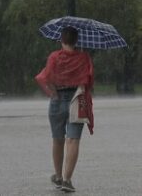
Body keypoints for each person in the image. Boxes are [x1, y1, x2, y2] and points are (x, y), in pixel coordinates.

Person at [35, 26, 94, 193]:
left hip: (57, 100)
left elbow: (47, 77)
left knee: (57, 139)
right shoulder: (83, 57)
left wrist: (54, 93)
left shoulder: (54, 57)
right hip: (77, 99)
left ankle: (58, 176)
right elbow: (88, 80)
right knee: (73, 140)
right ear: (76, 40)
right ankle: (67, 180)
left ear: (61, 39)